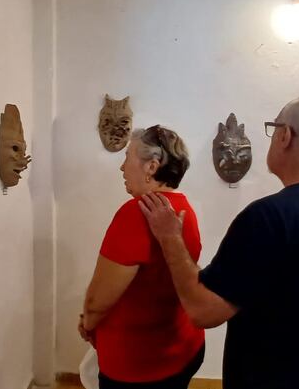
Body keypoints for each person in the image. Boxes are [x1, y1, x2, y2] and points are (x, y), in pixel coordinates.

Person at [139, 93, 299, 389]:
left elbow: (203, 310)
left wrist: (170, 238)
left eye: (274, 128)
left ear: (285, 136)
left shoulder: (269, 218)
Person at [79, 125, 205, 389]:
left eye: (127, 157)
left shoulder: (136, 214)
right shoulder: (184, 209)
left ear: (151, 166)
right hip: (183, 347)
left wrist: (87, 323)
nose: (122, 168)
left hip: (140, 364)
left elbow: (98, 300)